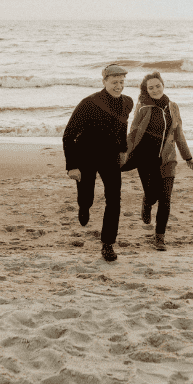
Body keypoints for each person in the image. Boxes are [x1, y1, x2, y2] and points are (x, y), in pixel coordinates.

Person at [62, 63, 134, 262]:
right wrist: (72, 166)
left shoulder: (128, 102)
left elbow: (122, 127)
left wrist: (123, 150)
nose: (118, 86)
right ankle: (84, 207)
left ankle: (108, 244)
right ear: (104, 82)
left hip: (110, 157)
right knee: (87, 197)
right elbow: (68, 135)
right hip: (86, 155)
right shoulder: (89, 103)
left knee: (114, 200)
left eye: (121, 82)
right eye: (114, 82)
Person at [122, 71, 193, 251]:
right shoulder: (143, 107)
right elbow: (133, 134)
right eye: (151, 87)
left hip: (168, 160)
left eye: (158, 86)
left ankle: (159, 237)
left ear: (163, 85)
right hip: (145, 159)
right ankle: (146, 202)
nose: (155, 90)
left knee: (166, 199)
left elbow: (178, 133)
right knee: (153, 195)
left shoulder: (173, 107)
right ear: (146, 90)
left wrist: (187, 156)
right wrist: (123, 154)